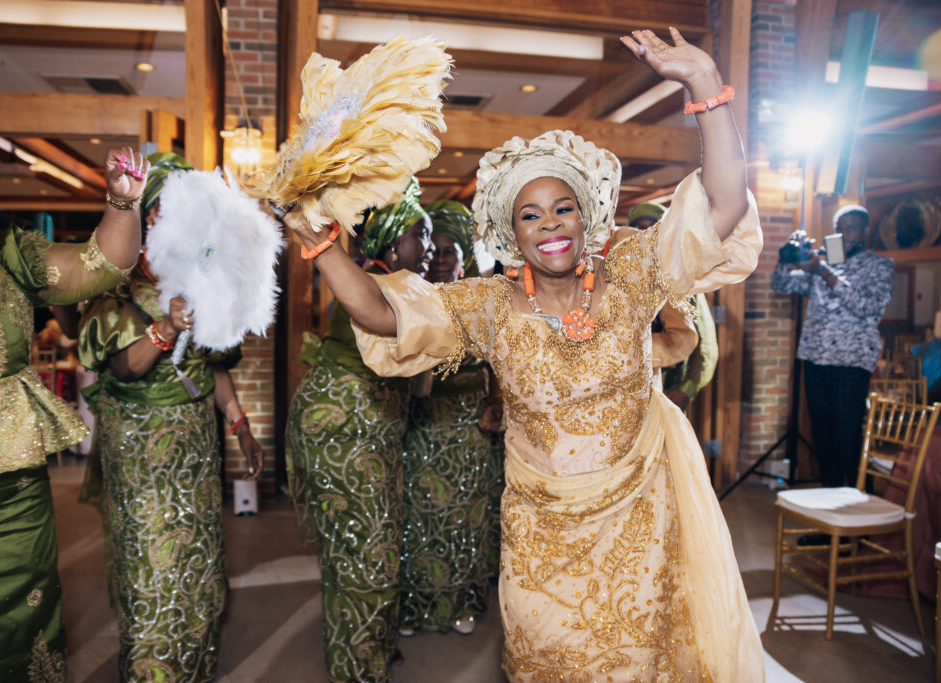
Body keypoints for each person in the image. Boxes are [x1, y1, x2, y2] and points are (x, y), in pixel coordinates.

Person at [284, 28, 765, 682]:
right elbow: (378, 312)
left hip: (640, 516)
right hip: (541, 531)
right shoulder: (487, 304)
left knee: (638, 663)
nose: (551, 225)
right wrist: (320, 245)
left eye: (563, 207)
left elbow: (725, 203)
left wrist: (705, 82)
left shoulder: (633, 267)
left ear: (586, 216)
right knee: (547, 657)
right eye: (531, 215)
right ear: (512, 234)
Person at [0, 83, 146, 680]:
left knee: (22, 636)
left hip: (13, 511)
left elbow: (103, 266)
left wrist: (122, 203)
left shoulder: (9, 265)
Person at [77, 153, 263, 682]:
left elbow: (213, 369)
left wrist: (241, 427)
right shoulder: (116, 283)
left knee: (198, 565)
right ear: (147, 215)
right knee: (150, 569)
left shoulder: (203, 278)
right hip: (141, 454)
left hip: (196, 451)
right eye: (166, 209)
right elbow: (124, 367)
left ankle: (196, 667)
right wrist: (166, 327)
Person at [286, 179, 433, 683]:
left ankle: (369, 648)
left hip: (372, 432)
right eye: (419, 235)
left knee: (367, 545)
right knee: (364, 552)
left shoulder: (398, 282)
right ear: (392, 244)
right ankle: (358, 668)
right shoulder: (374, 285)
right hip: (342, 431)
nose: (428, 246)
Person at [398, 200, 503, 637]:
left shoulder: (481, 303)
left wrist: (495, 404)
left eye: (450, 252)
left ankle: (460, 603)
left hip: (468, 424)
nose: (441, 259)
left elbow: (499, 362)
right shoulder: (409, 298)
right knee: (416, 517)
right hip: (419, 424)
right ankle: (413, 609)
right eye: (435, 251)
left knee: (465, 517)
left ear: (463, 261)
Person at [772, 205, 894, 487]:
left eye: (851, 228)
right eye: (840, 228)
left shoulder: (880, 266)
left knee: (847, 437)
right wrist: (786, 258)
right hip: (815, 358)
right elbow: (781, 285)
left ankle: (859, 506)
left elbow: (866, 307)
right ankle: (830, 510)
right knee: (823, 438)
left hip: (851, 363)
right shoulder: (823, 264)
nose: (844, 234)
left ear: (865, 231)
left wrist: (823, 271)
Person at [630, 201, 720, 409]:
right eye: (638, 228)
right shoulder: (619, 274)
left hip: (669, 387)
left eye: (652, 226)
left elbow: (706, 345)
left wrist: (686, 389)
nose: (645, 233)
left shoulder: (681, 277)